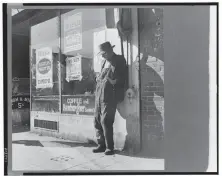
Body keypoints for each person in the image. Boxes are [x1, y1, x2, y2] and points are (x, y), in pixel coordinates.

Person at [93, 41, 127, 155]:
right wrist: (98, 78)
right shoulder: (104, 62)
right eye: (101, 54)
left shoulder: (119, 60)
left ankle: (109, 147)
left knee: (106, 121)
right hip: (99, 95)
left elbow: (123, 76)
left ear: (110, 51)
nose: (102, 56)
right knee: (97, 121)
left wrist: (114, 81)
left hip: (110, 95)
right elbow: (102, 76)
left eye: (104, 53)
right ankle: (101, 145)